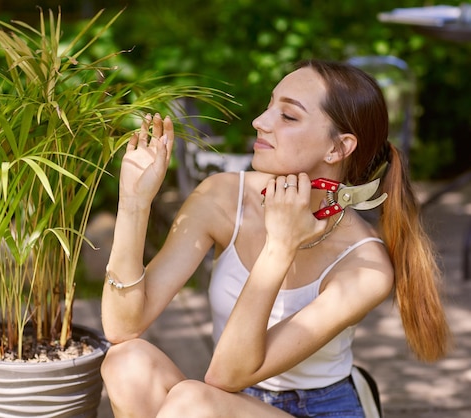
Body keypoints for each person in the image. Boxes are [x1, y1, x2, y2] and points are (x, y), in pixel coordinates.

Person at [100, 59, 451, 418]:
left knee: (194, 404)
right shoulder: (222, 197)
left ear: (338, 148)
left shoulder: (365, 266)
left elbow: (224, 376)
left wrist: (280, 247)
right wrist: (134, 202)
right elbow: (121, 326)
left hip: (319, 409)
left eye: (288, 116)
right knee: (126, 362)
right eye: (270, 106)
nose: (260, 122)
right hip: (233, 403)